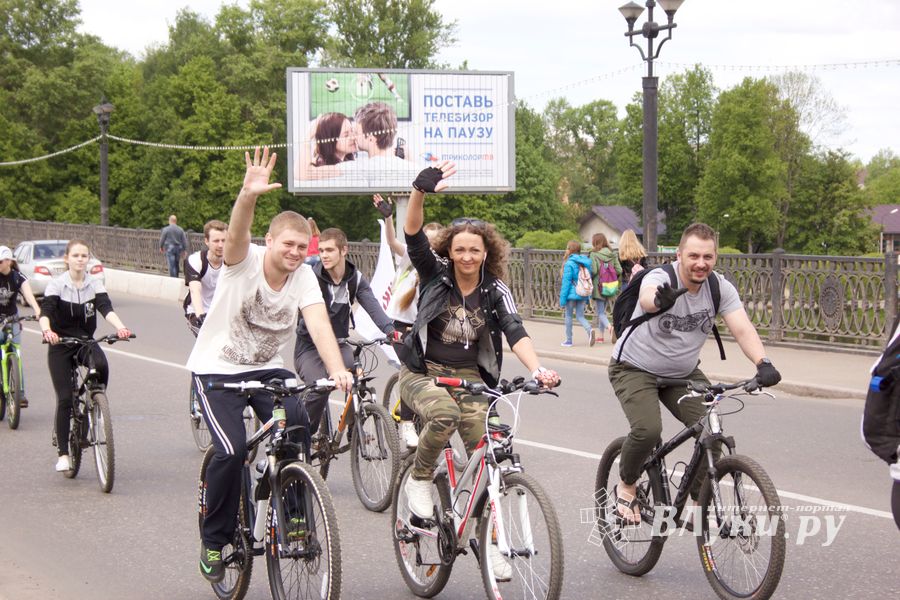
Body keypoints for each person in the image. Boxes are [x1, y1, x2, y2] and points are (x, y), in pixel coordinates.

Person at [187, 147, 352, 584]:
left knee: (298, 428)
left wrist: (337, 371)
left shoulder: (304, 277)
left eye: (303, 246)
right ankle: (214, 540)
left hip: (265, 373)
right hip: (217, 371)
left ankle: (293, 513)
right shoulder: (244, 263)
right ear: (271, 241)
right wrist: (248, 194)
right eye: (288, 245)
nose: (296, 252)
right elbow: (238, 232)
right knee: (232, 449)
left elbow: (319, 326)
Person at [398, 163, 560, 557]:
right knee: (443, 416)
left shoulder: (495, 289)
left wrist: (536, 368)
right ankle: (419, 478)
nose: (467, 256)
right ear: (449, 252)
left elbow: (514, 328)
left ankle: (491, 539)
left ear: (486, 251)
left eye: (474, 249)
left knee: (493, 451)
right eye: (460, 249)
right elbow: (414, 234)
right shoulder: (436, 276)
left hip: (472, 378)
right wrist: (418, 192)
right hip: (425, 373)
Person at [608, 223, 781, 523]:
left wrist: (762, 362)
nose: (701, 263)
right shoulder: (662, 277)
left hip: (683, 373)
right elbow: (649, 295)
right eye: (693, 256)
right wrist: (659, 301)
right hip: (634, 368)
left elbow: (742, 327)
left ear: (715, 257)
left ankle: (699, 499)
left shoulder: (718, 287)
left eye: (708, 257)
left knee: (711, 431)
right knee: (648, 430)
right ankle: (627, 483)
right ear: (679, 255)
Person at [38, 240, 131, 473]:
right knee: (65, 400)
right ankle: (63, 453)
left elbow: (106, 308)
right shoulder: (57, 284)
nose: (80, 259)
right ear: (66, 258)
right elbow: (45, 312)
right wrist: (47, 331)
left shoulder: (94, 283)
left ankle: (95, 401)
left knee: (101, 364)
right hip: (60, 343)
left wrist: (121, 328)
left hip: (84, 341)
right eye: (76, 255)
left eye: (84, 256)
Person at [293, 226, 395, 433]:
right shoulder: (311, 278)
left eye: (329, 250)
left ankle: (354, 428)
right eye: (321, 250)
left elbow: (373, 307)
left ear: (344, 250)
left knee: (358, 381)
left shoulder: (355, 279)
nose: (323, 255)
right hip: (309, 347)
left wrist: (391, 331)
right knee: (319, 388)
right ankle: (302, 435)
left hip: (339, 344)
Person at [376, 193, 443, 448]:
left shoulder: (442, 266)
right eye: (429, 241)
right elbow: (392, 240)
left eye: (437, 242)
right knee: (412, 367)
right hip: (400, 325)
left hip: (423, 328)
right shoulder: (411, 256)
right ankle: (406, 424)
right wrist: (389, 217)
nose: (432, 246)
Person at [0, 245, 41, 407]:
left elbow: (29, 295)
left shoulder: (18, 277)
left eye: (0, 261)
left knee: (16, 353)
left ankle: (20, 393)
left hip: (12, 319)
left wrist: (38, 311)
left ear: (9, 261)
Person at [183, 219, 226, 336]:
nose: (221, 245)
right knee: (208, 342)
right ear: (207, 241)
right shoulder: (195, 260)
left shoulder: (232, 262)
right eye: (216, 241)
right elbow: (195, 289)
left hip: (219, 311)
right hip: (197, 311)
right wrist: (201, 315)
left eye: (224, 240)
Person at [559, 240, 595, 347]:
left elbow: (566, 283)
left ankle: (569, 340)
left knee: (569, 316)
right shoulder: (585, 262)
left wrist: (562, 299)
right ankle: (590, 330)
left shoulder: (569, 263)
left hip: (571, 293)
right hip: (582, 292)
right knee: (580, 316)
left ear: (569, 250)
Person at [588, 233, 621, 343]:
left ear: (595, 242)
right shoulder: (612, 254)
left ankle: (610, 328)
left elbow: (594, 270)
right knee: (602, 311)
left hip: (599, 287)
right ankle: (600, 337)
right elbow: (619, 270)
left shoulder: (594, 254)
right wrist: (610, 277)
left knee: (600, 312)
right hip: (610, 286)